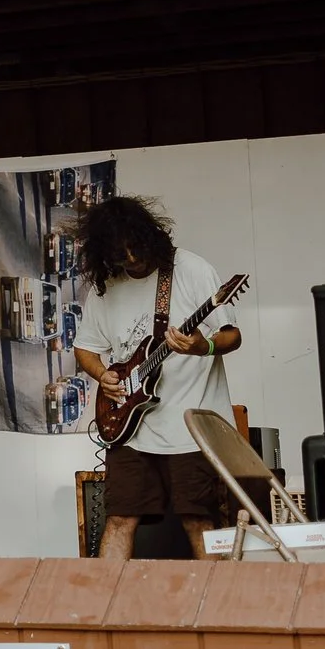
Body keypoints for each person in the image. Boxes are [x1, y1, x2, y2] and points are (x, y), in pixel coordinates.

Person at [70, 196, 240, 559]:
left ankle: (213, 611)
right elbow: (84, 348)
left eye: (137, 249)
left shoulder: (190, 269)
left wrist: (200, 346)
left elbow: (231, 336)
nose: (131, 260)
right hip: (131, 429)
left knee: (198, 520)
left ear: (150, 237)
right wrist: (104, 376)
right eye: (120, 255)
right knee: (119, 518)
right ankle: (107, 608)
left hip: (190, 427)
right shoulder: (105, 287)